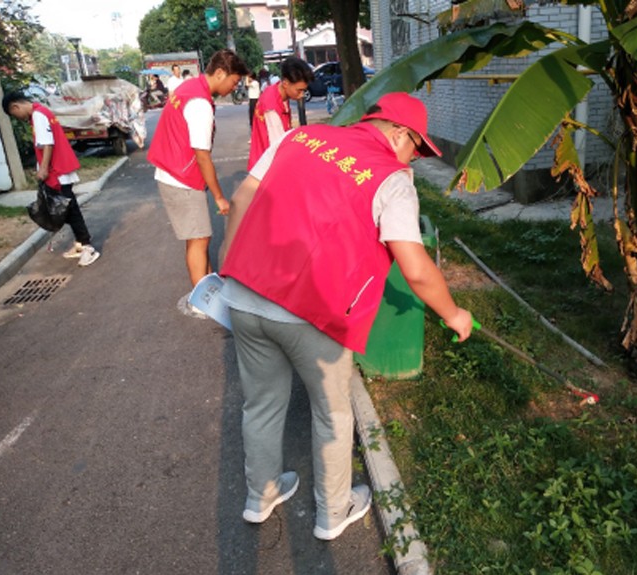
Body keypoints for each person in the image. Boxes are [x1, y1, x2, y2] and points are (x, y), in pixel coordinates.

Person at [219, 92, 475, 540]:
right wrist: (455, 315)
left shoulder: (300, 137)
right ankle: (333, 511)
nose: (413, 157)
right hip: (311, 313)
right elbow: (414, 267)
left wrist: (229, 269)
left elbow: (241, 200)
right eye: (415, 147)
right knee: (332, 414)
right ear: (398, 134)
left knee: (259, 404)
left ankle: (259, 497)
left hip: (244, 295)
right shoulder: (392, 178)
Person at [147, 49, 249, 317]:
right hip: (181, 177)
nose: (233, 87)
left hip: (173, 171)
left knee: (197, 235)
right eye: (234, 81)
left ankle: (208, 282)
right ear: (219, 73)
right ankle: (200, 301)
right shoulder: (200, 103)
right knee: (200, 238)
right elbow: (202, 155)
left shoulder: (188, 88)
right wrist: (219, 196)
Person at [2, 90, 100, 267]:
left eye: (14, 114)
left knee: (70, 209)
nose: (18, 117)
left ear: (15, 106)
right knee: (66, 208)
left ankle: (87, 246)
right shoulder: (42, 112)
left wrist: (44, 169)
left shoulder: (39, 115)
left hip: (57, 171)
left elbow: (47, 143)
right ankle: (80, 243)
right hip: (60, 169)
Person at [247, 57, 312, 170]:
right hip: (267, 168)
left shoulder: (277, 90)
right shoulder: (271, 107)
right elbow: (279, 148)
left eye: (304, 91)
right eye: (299, 90)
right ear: (286, 83)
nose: (302, 95)